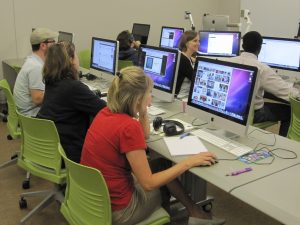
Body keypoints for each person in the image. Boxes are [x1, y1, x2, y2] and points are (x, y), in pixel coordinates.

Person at [81, 66, 225, 225]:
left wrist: (142, 112)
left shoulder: (106, 113)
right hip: (120, 211)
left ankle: (194, 212)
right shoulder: (128, 127)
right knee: (161, 184)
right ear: (137, 99)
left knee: (162, 165)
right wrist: (189, 162)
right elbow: (148, 184)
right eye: (149, 93)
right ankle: (182, 215)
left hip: (95, 200)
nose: (151, 97)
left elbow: (144, 135)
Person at [37, 42, 106, 163]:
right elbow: (104, 109)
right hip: (69, 152)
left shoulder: (51, 81)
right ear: (71, 60)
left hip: (50, 147)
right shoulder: (73, 87)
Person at [227, 31, 300, 136]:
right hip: (253, 114)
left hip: (232, 109)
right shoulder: (262, 69)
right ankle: (283, 143)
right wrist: (297, 91)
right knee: (288, 111)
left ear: (242, 45)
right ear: (260, 48)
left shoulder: (228, 61)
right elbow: (285, 92)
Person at [14, 28, 58, 117]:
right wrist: (58, 90)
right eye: (53, 42)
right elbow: (37, 99)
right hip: (31, 115)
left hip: (27, 111)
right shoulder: (36, 67)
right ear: (43, 45)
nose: (55, 45)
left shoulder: (33, 60)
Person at [175, 30, 199, 97]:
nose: (198, 43)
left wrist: (194, 59)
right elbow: (196, 80)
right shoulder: (184, 61)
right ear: (186, 43)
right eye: (195, 41)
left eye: (198, 41)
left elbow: (190, 59)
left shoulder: (183, 56)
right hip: (181, 97)